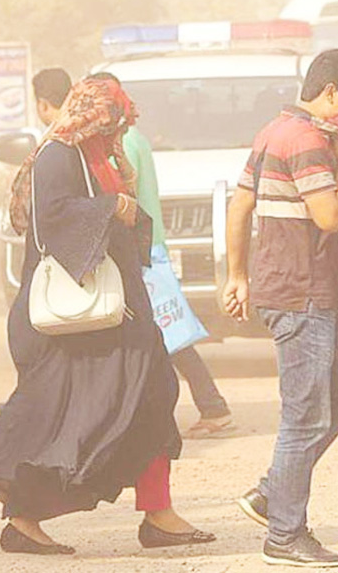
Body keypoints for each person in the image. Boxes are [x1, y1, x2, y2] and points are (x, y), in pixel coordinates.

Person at [0, 77, 215, 555]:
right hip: (80, 325)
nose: (118, 131)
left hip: (120, 317)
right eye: (112, 121)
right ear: (91, 115)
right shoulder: (60, 155)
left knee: (153, 398)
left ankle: (159, 514)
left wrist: (121, 199)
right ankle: (22, 515)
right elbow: (52, 217)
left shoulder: (99, 157)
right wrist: (113, 205)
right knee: (70, 420)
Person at [222, 49, 338, 568]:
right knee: (305, 417)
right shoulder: (312, 142)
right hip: (302, 293)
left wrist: (239, 275)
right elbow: (329, 216)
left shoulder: (273, 131)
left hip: (292, 289)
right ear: (330, 91)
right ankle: (285, 535)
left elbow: (239, 206)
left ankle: (273, 493)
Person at [89, 72, 234, 438]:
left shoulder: (123, 142)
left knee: (169, 335)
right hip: (149, 246)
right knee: (162, 333)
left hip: (141, 250)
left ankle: (212, 405)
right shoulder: (135, 137)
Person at [0, 67, 73, 412]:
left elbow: (51, 208)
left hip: (51, 257)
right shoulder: (66, 141)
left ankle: (30, 408)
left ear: (41, 104)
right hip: (56, 256)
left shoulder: (57, 146)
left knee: (26, 329)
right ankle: (29, 404)